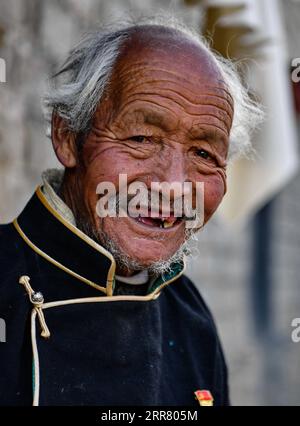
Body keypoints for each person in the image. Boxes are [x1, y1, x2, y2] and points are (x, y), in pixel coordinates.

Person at [0, 16, 262, 406]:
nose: (173, 185)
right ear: (68, 137)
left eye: (204, 154)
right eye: (141, 138)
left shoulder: (191, 316)